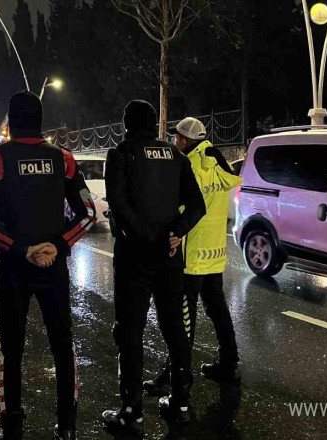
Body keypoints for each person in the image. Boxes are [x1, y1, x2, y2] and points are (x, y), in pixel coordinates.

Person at [0, 92, 96, 440]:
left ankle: (13, 426)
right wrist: (56, 246)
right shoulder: (64, 159)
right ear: (41, 120)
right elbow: (88, 215)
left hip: (13, 268)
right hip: (53, 267)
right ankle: (67, 426)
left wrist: (22, 249)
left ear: (10, 121)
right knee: (62, 344)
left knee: (11, 347)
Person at [102, 100, 206, 436]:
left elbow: (118, 204)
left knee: (129, 332)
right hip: (170, 257)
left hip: (135, 256)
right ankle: (181, 403)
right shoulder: (175, 155)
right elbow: (197, 205)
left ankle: (131, 411)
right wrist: (173, 234)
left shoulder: (120, 154)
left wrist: (149, 238)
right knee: (175, 328)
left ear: (126, 124)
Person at [144, 117, 244, 398]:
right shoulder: (216, 158)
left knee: (181, 320)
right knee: (217, 310)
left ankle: (173, 377)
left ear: (186, 140)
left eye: (177, 138)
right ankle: (228, 362)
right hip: (215, 254)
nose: (175, 142)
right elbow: (227, 184)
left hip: (190, 255)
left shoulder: (189, 164)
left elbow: (176, 206)